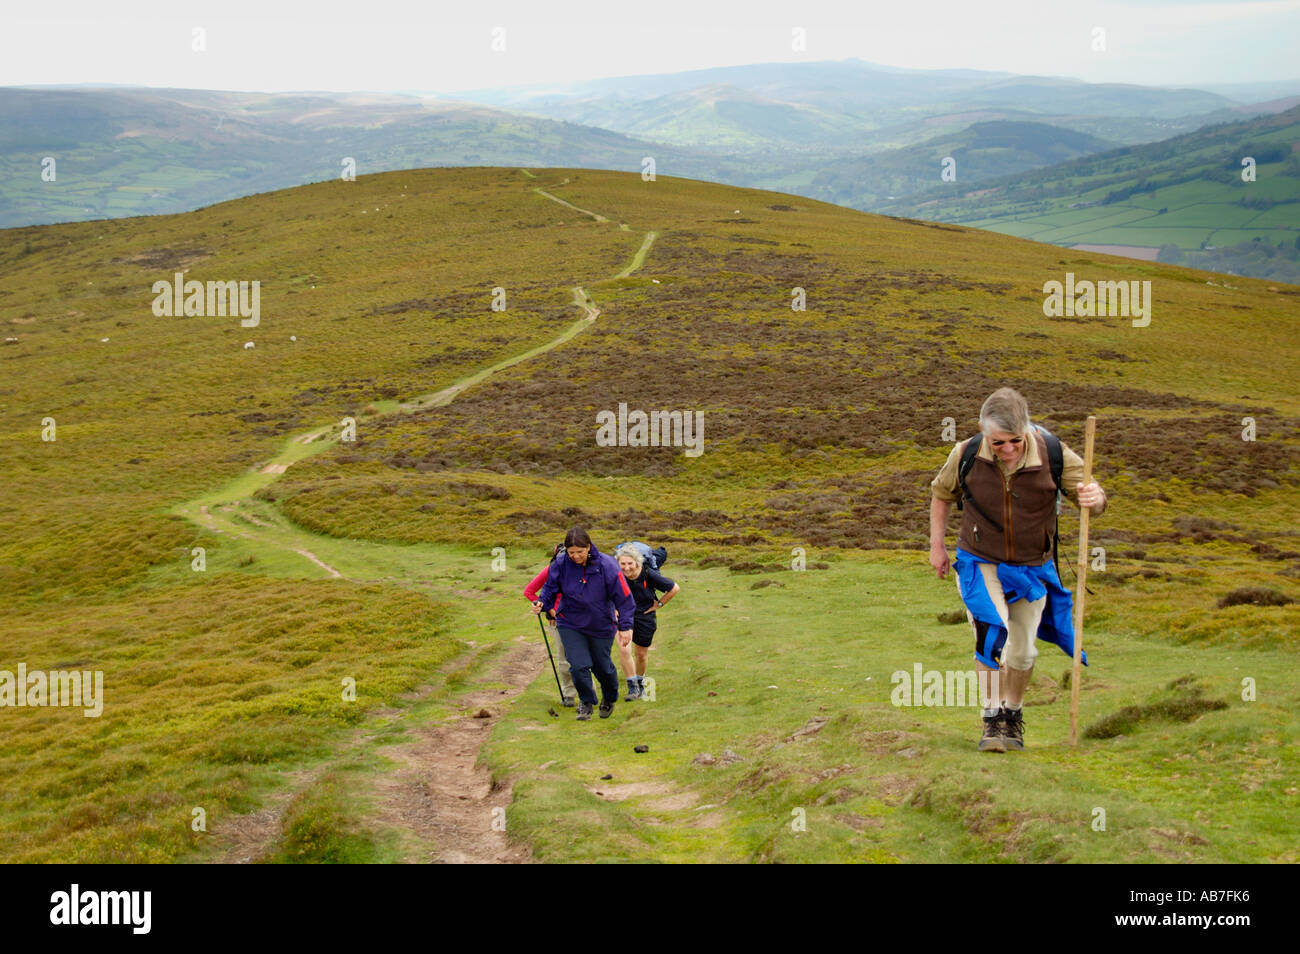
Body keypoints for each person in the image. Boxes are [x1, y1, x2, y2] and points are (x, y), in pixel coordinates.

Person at [928, 387, 1106, 753]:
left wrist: (1095, 497)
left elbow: (1092, 496)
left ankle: (1013, 713)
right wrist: (937, 547)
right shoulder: (965, 454)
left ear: (1026, 430)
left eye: (1015, 441)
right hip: (980, 561)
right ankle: (992, 720)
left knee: (1023, 652)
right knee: (993, 635)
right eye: (998, 443)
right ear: (983, 431)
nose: (1007, 450)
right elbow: (941, 494)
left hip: (1032, 567)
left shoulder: (1053, 452)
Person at [533, 528, 635, 721]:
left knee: (602, 667)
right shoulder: (561, 563)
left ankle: (609, 698)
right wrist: (542, 602)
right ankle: (586, 702)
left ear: (588, 547)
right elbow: (550, 589)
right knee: (578, 665)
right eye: (571, 552)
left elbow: (624, 598)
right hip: (570, 622)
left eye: (579, 552)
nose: (575, 556)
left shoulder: (607, 565)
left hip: (601, 624)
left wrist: (625, 626)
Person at [614, 544, 680, 700]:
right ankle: (633, 689)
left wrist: (659, 604)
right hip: (623, 615)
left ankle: (640, 681)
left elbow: (674, 588)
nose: (627, 568)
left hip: (644, 615)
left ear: (637, 562)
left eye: (630, 563)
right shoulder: (615, 575)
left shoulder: (648, 574)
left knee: (641, 654)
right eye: (622, 564)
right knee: (624, 650)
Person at [523, 543, 577, 706]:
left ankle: (588, 693)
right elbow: (529, 591)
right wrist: (549, 608)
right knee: (564, 658)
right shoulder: (550, 570)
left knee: (582, 659)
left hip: (582, 619)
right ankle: (569, 695)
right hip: (558, 621)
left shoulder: (582, 569)